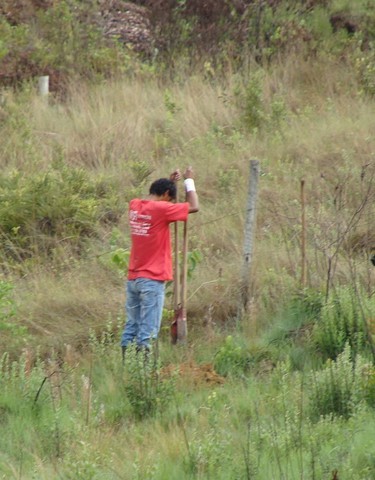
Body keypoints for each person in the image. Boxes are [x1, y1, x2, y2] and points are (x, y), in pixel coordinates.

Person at [120, 167, 199, 357]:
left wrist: (169, 182)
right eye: (171, 199)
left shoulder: (135, 205)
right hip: (152, 279)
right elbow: (194, 206)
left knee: (132, 326)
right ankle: (145, 374)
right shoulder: (161, 209)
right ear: (165, 195)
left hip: (133, 278)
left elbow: (152, 198)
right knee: (147, 331)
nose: (171, 204)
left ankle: (127, 367)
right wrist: (189, 181)